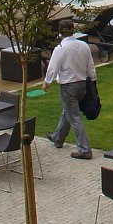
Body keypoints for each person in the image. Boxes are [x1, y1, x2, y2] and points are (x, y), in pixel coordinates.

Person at [42, 18, 96, 159]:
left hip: (68, 87)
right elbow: (90, 65)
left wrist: (47, 82)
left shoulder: (60, 48)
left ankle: (84, 149)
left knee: (74, 117)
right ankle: (58, 138)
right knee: (68, 113)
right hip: (82, 85)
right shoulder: (83, 45)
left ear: (60, 32)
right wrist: (93, 79)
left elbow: (52, 67)